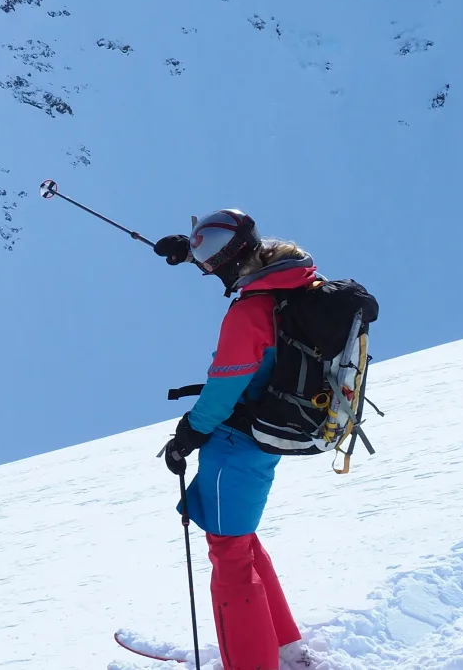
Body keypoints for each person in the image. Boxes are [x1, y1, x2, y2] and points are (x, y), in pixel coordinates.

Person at [152, 210, 309, 670]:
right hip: (265, 432)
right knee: (242, 541)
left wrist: (187, 435)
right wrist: (191, 252)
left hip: (238, 440)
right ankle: (282, 646)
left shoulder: (249, 313)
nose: (203, 262)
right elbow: (234, 250)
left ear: (227, 257)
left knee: (229, 552)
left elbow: (223, 390)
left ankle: (252, 663)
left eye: (207, 254)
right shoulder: (290, 283)